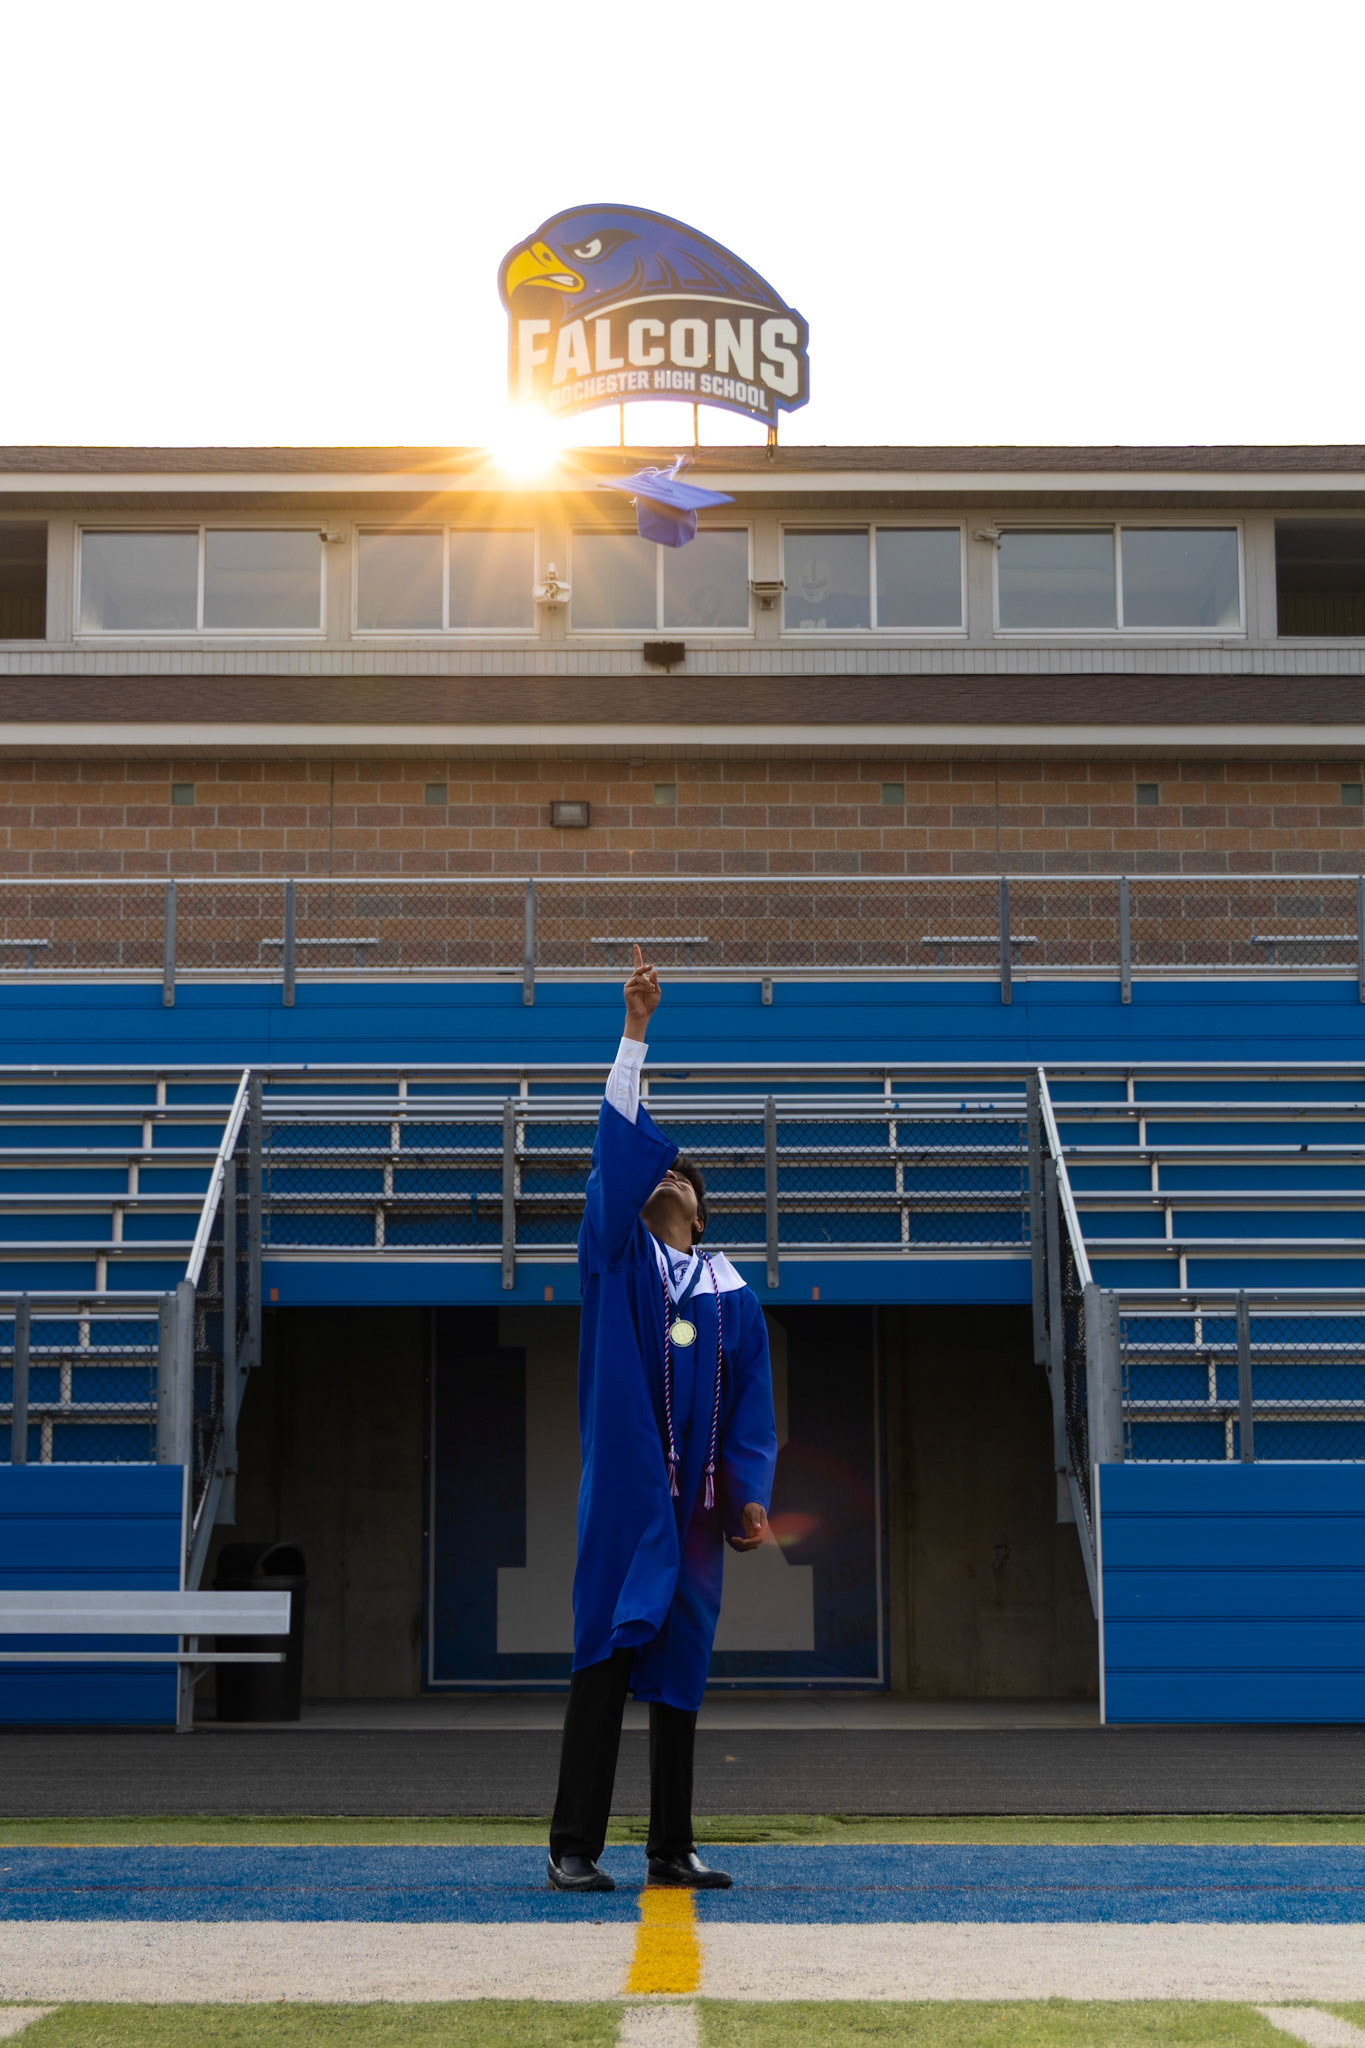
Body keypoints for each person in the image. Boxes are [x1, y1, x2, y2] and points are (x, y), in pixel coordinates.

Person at [547, 945, 778, 1893]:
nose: (667, 1174)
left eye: (682, 1174)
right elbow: (615, 1151)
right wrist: (635, 1034)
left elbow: (752, 1407)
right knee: (604, 1652)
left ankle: (670, 1846)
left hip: (690, 1510)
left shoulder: (730, 1296)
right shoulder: (616, 1259)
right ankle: (572, 1846)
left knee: (680, 1667)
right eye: (657, 1167)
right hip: (628, 1494)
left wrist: (750, 1496)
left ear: (701, 1208)